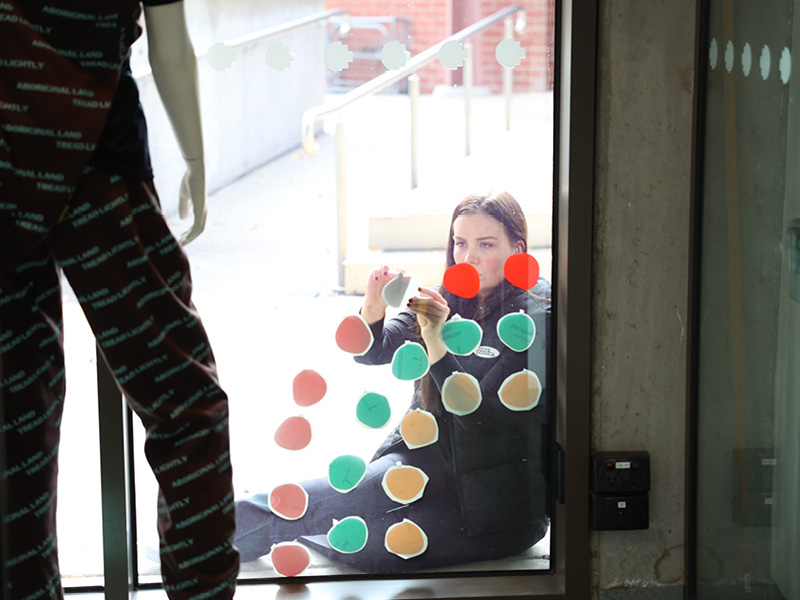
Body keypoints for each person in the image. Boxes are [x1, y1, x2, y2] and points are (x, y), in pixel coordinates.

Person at [0, 2, 239, 599]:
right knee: (184, 397)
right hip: (97, 156)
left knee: (16, 414)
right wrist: (194, 158)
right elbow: (168, 35)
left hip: (15, 151)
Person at [235, 190, 551, 574]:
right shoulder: (455, 293)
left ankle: (292, 524)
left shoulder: (534, 319)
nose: (468, 257)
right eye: (460, 243)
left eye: (485, 244)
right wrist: (374, 307)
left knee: (362, 548)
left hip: (494, 507)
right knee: (317, 502)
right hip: (421, 462)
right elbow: (374, 350)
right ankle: (206, 537)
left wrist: (436, 341)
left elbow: (481, 423)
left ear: (517, 247)